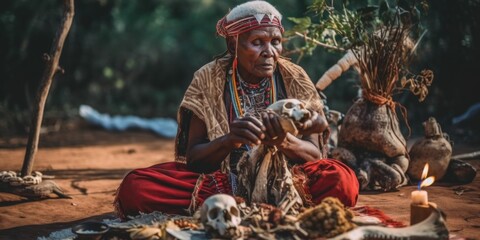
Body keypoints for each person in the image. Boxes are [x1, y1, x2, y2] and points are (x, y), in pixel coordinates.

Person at [114, 0, 359, 219]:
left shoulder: (294, 77)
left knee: (343, 181)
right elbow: (194, 160)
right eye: (257, 43)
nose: (269, 52)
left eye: (275, 42)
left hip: (288, 182)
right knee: (135, 187)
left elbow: (315, 155)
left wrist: (284, 142)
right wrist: (229, 140)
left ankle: (232, 207)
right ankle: (235, 204)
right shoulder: (207, 78)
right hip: (223, 183)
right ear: (234, 44)